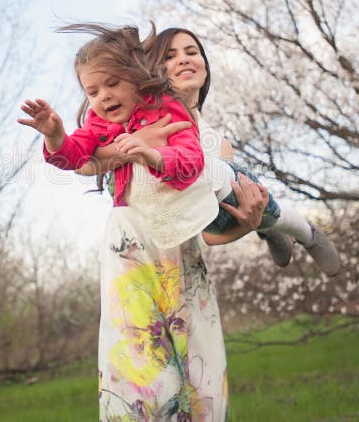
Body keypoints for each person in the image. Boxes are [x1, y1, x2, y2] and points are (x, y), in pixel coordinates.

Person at [19, 23, 230, 420]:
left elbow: (190, 162)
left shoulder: (168, 111)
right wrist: (54, 135)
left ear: (136, 76)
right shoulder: (100, 126)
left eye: (112, 84)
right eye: (92, 92)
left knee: (193, 351)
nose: (103, 97)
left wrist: (151, 155)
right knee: (139, 351)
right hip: (128, 242)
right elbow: (76, 158)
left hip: (176, 243)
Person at [85, 27, 341, 276]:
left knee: (228, 183)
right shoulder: (127, 119)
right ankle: (273, 227)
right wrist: (138, 143)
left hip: (181, 262)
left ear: (205, 65)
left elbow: (210, 233)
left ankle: (277, 226)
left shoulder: (218, 144)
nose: (184, 59)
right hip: (133, 259)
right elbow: (83, 164)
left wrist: (248, 224)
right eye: (170, 56)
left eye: (192, 52)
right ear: (150, 70)